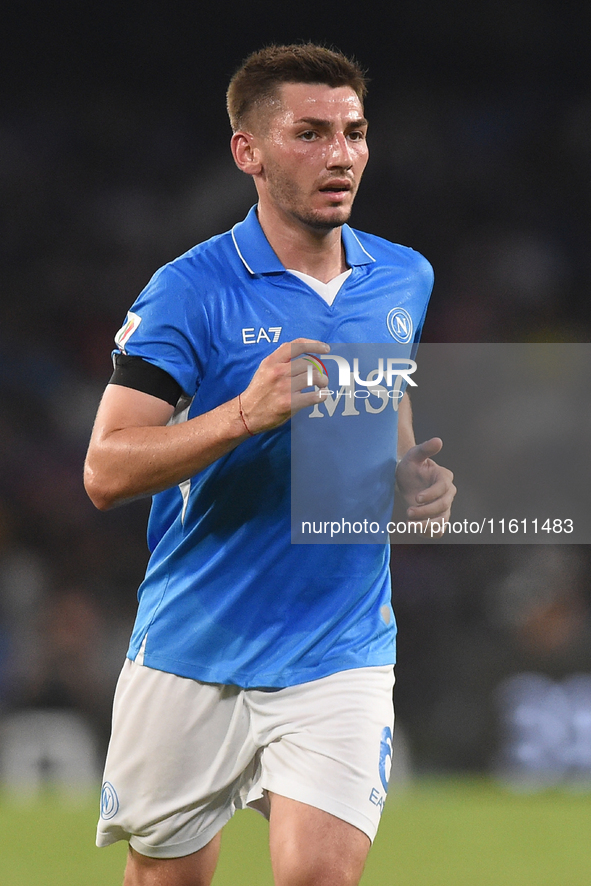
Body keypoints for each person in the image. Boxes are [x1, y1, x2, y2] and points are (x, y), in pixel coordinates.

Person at [84, 43, 455, 886]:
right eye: (310, 133)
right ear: (246, 151)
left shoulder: (403, 276)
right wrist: (243, 415)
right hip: (194, 647)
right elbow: (105, 469)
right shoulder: (189, 290)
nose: (341, 155)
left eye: (354, 133)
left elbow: (385, 387)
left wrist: (404, 476)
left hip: (341, 645)